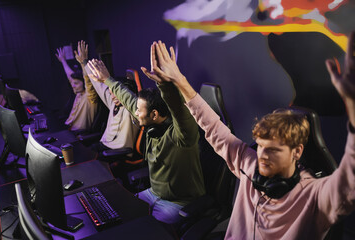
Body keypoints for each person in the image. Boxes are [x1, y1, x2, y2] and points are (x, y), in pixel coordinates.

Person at [140, 33, 355, 239]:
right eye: (260, 146)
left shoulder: (315, 195)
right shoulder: (250, 166)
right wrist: (179, 81)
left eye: (273, 150)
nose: (261, 155)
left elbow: (348, 185)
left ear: (296, 152)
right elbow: (214, 127)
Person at [87, 57, 205, 225]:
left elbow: (180, 112)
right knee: (120, 213)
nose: (135, 112)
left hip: (178, 203)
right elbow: (128, 99)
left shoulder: (183, 135)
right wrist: (107, 79)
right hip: (153, 194)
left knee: (144, 230)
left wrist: (166, 84)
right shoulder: (151, 124)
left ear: (154, 114)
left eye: (138, 110)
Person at [75, 40, 139, 154]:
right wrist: (84, 63)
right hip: (102, 146)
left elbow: (131, 99)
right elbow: (98, 85)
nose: (113, 96)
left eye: (116, 92)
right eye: (111, 92)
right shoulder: (113, 102)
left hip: (116, 152)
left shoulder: (132, 109)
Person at [55, 44, 98, 132]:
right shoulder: (79, 93)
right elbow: (70, 76)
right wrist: (63, 61)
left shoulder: (90, 96)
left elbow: (88, 80)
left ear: (84, 84)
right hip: (69, 128)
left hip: (78, 133)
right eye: (72, 83)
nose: (73, 85)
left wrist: (83, 62)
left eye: (76, 83)